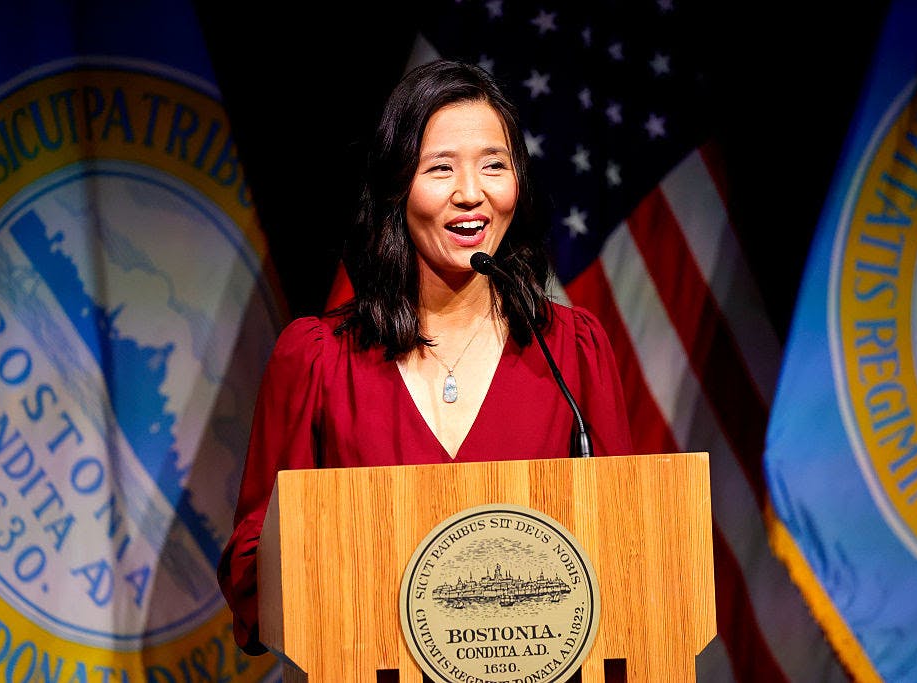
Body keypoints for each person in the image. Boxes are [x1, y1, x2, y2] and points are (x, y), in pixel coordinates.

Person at [217, 58, 634, 656]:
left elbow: (626, 541)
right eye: (441, 169)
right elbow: (254, 558)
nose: (472, 193)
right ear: (396, 189)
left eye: (495, 165)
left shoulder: (571, 350)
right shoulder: (317, 361)